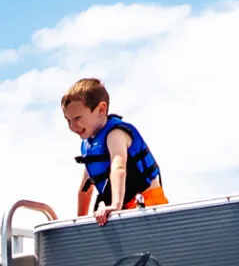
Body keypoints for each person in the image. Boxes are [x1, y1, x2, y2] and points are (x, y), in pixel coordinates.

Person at [62, 76, 168, 219]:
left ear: (101, 109)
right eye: (68, 120)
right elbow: (86, 188)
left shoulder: (115, 134)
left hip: (148, 205)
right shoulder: (90, 146)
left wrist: (115, 205)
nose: (72, 126)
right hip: (125, 209)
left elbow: (119, 168)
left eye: (77, 118)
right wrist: (79, 220)